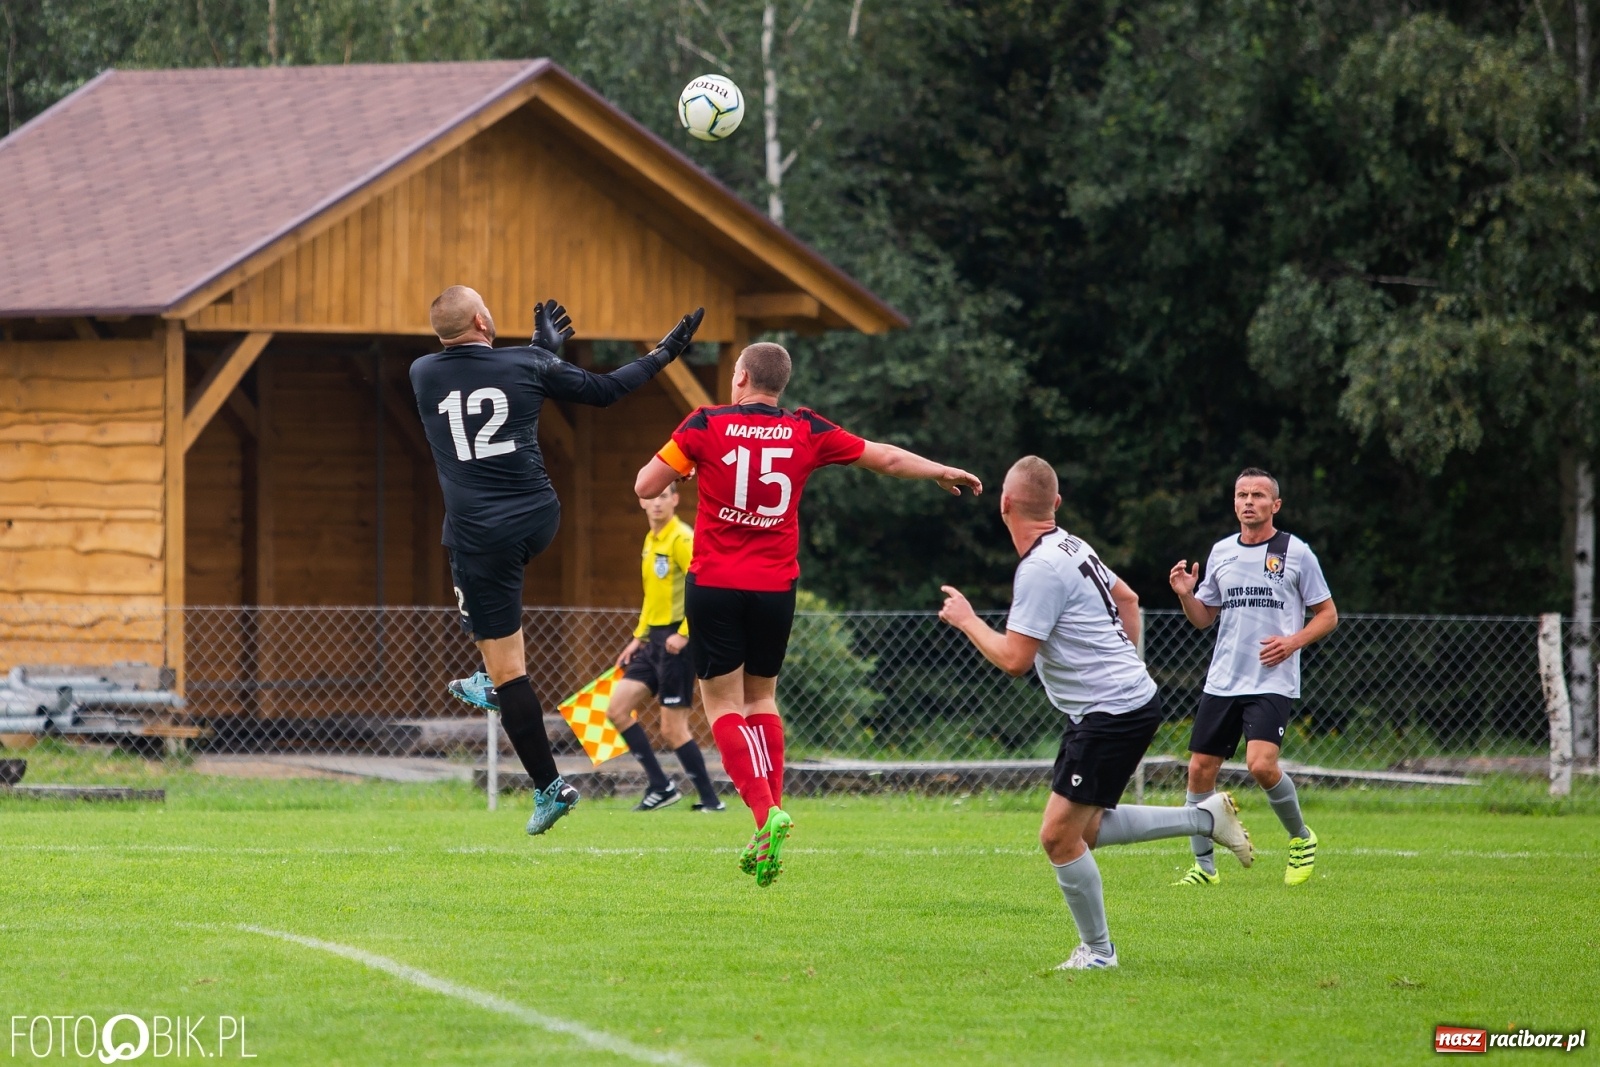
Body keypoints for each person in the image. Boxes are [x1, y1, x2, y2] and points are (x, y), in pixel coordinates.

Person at [633, 341, 983, 887]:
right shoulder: (805, 429)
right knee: (762, 699)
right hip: (776, 587)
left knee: (722, 704)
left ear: (741, 377)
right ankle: (771, 817)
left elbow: (645, 485)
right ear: (781, 384)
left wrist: (686, 469)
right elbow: (885, 458)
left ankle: (764, 815)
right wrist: (939, 470)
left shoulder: (705, 423)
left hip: (716, 583)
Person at [939, 457, 1254, 969]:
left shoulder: (1039, 567)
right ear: (1056, 504)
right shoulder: (1072, 544)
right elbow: (1128, 598)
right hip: (1116, 705)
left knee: (1057, 837)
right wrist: (1125, 663)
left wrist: (968, 620)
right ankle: (1203, 818)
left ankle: (1100, 952)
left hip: (1111, 711)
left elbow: (1015, 660)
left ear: (1005, 504)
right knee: (1083, 831)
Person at [412, 285, 703, 836]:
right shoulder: (527, 363)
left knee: (509, 673)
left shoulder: (422, 372)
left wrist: (537, 352)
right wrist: (664, 353)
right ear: (482, 320)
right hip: (539, 516)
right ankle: (488, 678)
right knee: (490, 629)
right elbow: (606, 389)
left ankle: (548, 783)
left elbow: (486, 377)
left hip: (483, 537)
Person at [1168, 467, 1338, 887]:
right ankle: (1204, 868)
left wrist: (1292, 642)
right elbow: (1203, 619)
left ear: (1275, 505)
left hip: (1271, 679)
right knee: (1199, 770)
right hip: (1223, 679)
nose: (1249, 501)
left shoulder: (1296, 552)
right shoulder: (1222, 551)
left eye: (1258, 495)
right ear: (1234, 503)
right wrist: (1187, 595)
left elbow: (1328, 615)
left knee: (1261, 765)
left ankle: (1301, 838)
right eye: (1242, 494)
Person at [605, 483, 724, 812]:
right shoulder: (650, 540)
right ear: (642, 502)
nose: (656, 503)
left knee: (672, 729)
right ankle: (661, 786)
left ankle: (711, 801)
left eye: (663, 497)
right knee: (617, 710)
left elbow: (704, 586)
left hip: (676, 643)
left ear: (675, 499)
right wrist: (638, 638)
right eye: (651, 498)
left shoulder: (682, 538)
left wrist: (685, 633)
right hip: (653, 642)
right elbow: (652, 596)